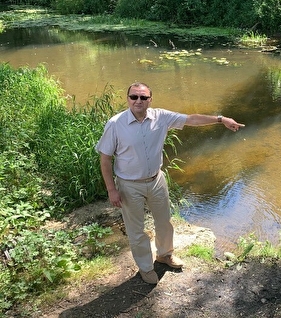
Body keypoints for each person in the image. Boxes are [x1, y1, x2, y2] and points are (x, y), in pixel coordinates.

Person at [96, 82, 244, 284]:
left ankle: (164, 255)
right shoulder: (115, 124)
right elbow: (105, 159)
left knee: (164, 222)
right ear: (127, 98)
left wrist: (221, 119)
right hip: (129, 184)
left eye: (143, 97)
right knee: (136, 229)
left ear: (150, 100)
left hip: (156, 180)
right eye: (134, 97)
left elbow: (191, 119)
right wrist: (111, 190)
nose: (138, 101)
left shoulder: (161, 117)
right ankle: (146, 268)